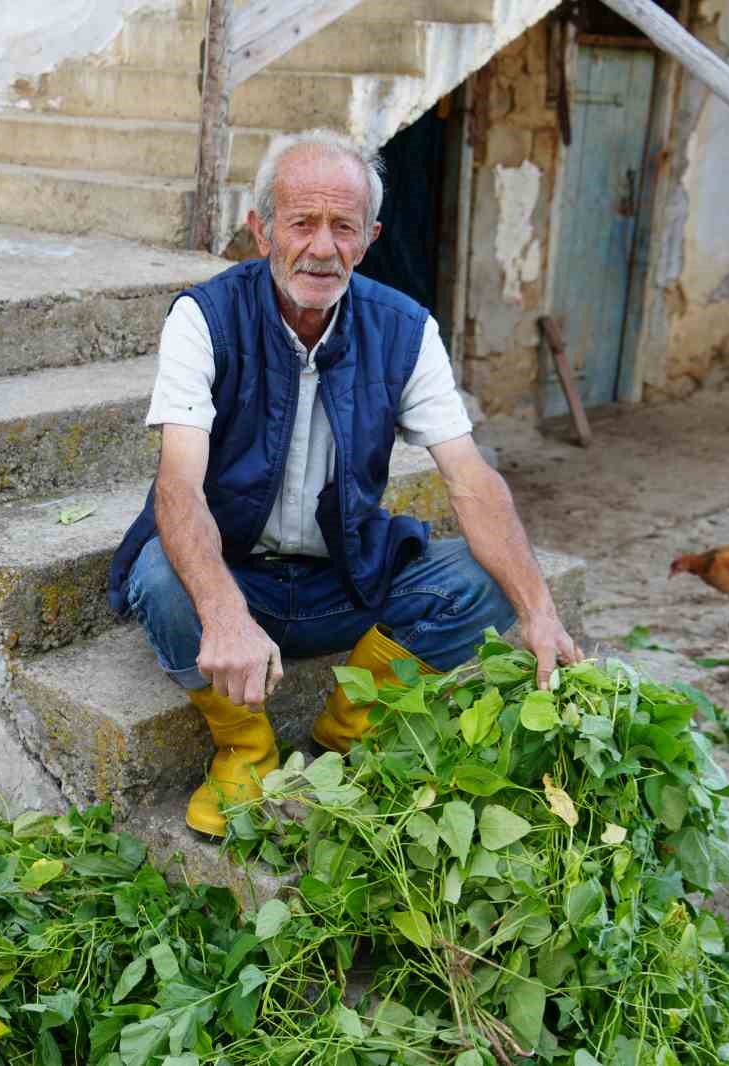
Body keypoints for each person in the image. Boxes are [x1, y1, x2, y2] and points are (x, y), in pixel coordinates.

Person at [107, 128, 580, 836]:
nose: (322, 248)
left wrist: (538, 608)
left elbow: (471, 479)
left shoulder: (405, 330)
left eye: (343, 227)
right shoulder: (203, 319)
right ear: (261, 228)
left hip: (345, 577)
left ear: (370, 237)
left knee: (483, 578)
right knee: (161, 575)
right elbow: (179, 485)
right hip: (238, 581)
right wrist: (227, 613)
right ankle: (245, 747)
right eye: (302, 223)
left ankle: (346, 731)